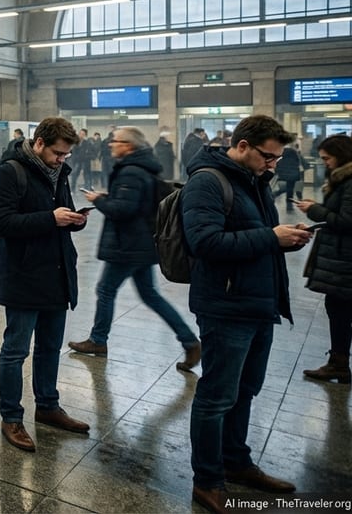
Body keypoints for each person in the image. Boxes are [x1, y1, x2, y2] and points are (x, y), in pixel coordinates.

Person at [183, 115, 312, 513]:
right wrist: (270, 237)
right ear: (241, 146)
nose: (273, 164)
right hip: (225, 307)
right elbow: (204, 242)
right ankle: (207, 480)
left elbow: (253, 238)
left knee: (245, 390)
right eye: (268, 157)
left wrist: (284, 238)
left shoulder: (253, 182)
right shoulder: (208, 181)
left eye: (276, 158)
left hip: (257, 303)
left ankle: (236, 462)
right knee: (217, 396)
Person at [0, 117, 90, 453]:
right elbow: (1, 222)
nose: (62, 159)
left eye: (66, 155)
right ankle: (11, 417)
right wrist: (52, 219)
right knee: (16, 351)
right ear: (38, 143)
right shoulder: (9, 172)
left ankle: (47, 406)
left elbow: (61, 213)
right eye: (58, 153)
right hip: (23, 274)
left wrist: (74, 220)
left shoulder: (60, 171)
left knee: (50, 348)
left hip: (57, 273)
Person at [68, 127, 201, 368]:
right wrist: (109, 196)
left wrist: (98, 200)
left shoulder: (130, 171)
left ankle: (98, 340)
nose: (111, 144)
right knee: (150, 295)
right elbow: (132, 202)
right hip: (140, 243)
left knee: (106, 290)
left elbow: (123, 210)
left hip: (128, 244)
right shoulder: (144, 168)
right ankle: (190, 342)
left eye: (116, 141)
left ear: (128, 146)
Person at [296, 134, 352, 385]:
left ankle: (339, 364)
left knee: (340, 310)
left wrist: (315, 210)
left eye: (327, 158)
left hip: (345, 259)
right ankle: (338, 362)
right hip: (342, 259)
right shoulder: (342, 180)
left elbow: (346, 221)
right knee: (338, 308)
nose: (325, 163)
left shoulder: (350, 182)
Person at [270, 141, 307, 210]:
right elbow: (299, 161)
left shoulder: (280, 151)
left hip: (282, 172)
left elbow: (277, 161)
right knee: (291, 187)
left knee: (286, 187)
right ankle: (289, 202)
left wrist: (277, 170)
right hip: (293, 172)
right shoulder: (294, 152)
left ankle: (276, 194)